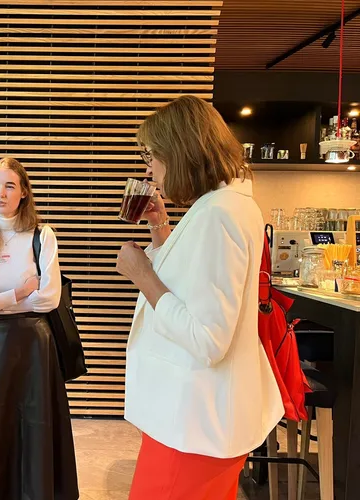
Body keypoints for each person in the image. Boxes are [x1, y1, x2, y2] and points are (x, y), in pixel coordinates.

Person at [116, 96, 284, 499]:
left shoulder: (218, 214)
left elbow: (208, 338)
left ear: (180, 151)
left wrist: (143, 276)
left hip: (193, 423)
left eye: (152, 155)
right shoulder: (225, 205)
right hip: (194, 418)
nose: (148, 168)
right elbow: (195, 281)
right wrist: (160, 229)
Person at [0, 157, 79, 500]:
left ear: (24, 192)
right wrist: (19, 293)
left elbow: (49, 298)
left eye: (9, 186)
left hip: (35, 344)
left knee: (35, 426)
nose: (0, 193)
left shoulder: (42, 235)